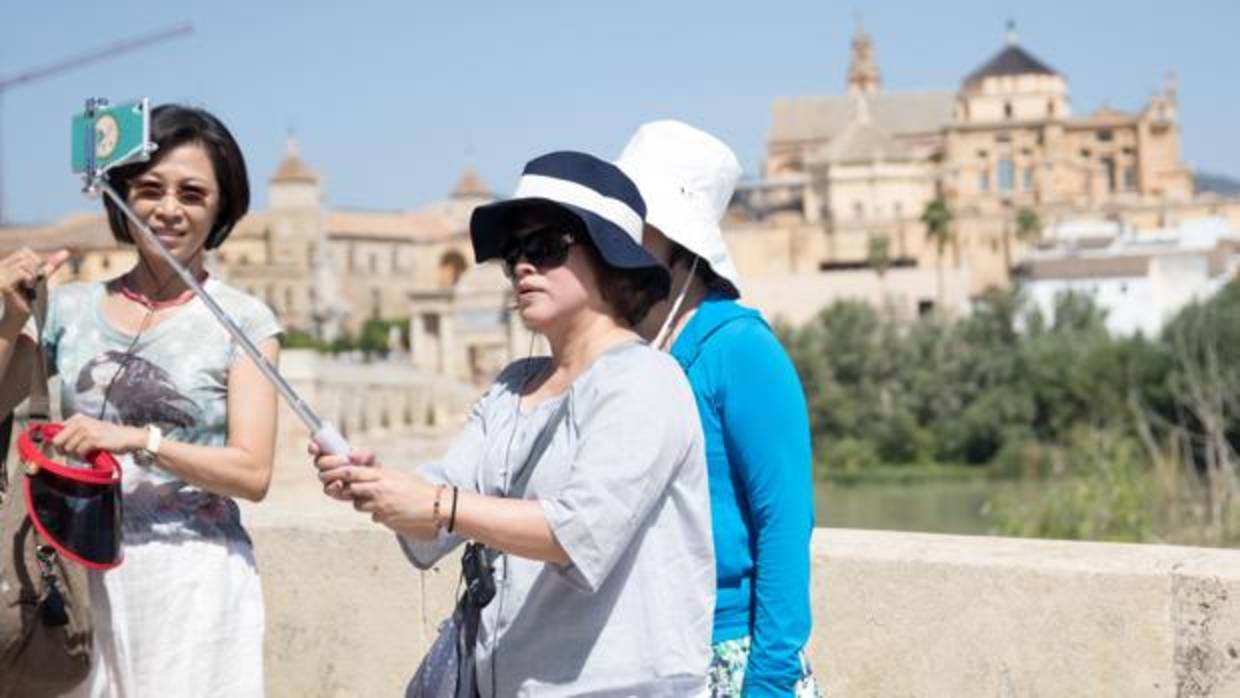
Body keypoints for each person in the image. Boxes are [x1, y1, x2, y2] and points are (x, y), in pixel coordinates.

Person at [314, 151, 716, 696]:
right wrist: (379, 488)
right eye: (514, 254)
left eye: (545, 248)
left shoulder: (645, 380)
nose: (523, 266)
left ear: (608, 258)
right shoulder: (512, 385)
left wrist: (437, 504)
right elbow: (444, 501)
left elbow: (580, 532)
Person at [0, 104, 281, 697]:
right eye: (149, 188)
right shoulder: (68, 308)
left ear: (221, 207)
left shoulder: (245, 322)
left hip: (194, 586)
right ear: (120, 196)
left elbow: (252, 473)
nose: (169, 209)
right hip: (75, 579)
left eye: (193, 193)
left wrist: (138, 441)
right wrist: (11, 320)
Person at [617, 120, 819, 697]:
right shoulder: (630, 353)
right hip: (646, 656)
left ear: (680, 243)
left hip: (732, 656)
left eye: (638, 223)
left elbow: (784, 521)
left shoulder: (739, 348)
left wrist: (770, 682)